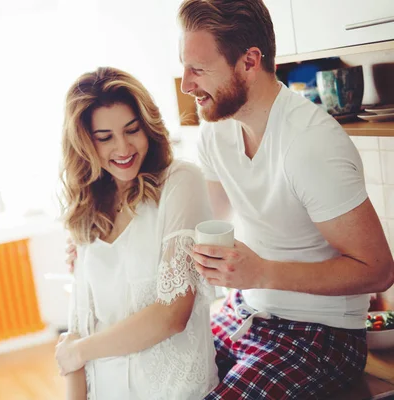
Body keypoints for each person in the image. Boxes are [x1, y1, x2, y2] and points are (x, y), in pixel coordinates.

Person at [177, 0, 394, 398]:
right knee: (164, 377)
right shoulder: (216, 131)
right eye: (185, 67)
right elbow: (202, 219)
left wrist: (260, 273)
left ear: (249, 62)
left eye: (199, 70)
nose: (186, 84)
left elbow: (378, 270)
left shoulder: (310, 144)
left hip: (321, 335)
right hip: (244, 313)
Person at [55, 66, 219, 400]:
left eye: (132, 130)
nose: (124, 147)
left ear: (148, 126)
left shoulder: (180, 183)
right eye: (105, 138)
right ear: (85, 143)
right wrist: (78, 353)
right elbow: (76, 334)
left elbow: (172, 314)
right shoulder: (87, 210)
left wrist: (82, 350)